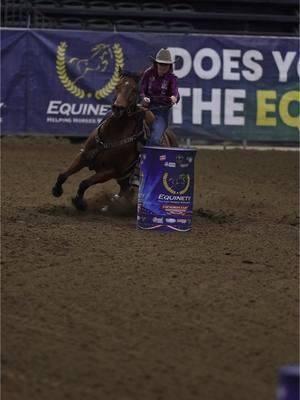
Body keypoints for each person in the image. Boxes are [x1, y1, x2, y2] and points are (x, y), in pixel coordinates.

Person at [140, 47, 180, 146]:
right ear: (156, 63)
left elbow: (175, 92)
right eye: (161, 63)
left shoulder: (172, 78)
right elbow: (142, 89)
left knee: (155, 139)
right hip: (145, 108)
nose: (163, 66)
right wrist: (143, 97)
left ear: (169, 65)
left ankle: (150, 159)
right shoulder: (148, 74)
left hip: (161, 111)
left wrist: (174, 97)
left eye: (166, 64)